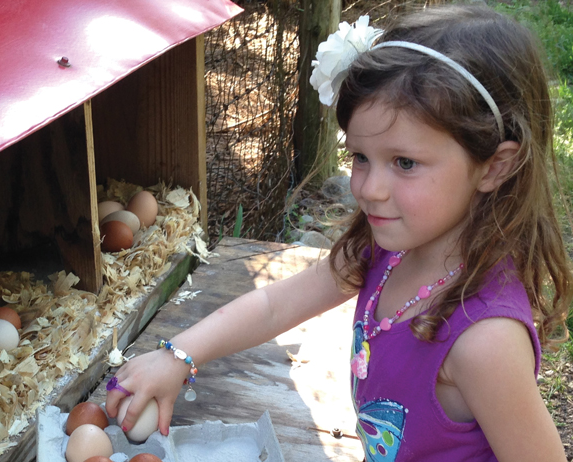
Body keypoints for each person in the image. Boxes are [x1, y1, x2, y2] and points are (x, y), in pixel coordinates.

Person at [105, 5, 572, 461]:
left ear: (495, 167)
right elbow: (273, 304)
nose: (368, 188)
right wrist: (179, 356)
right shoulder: (385, 251)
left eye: (404, 163)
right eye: (360, 157)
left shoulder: (483, 340)